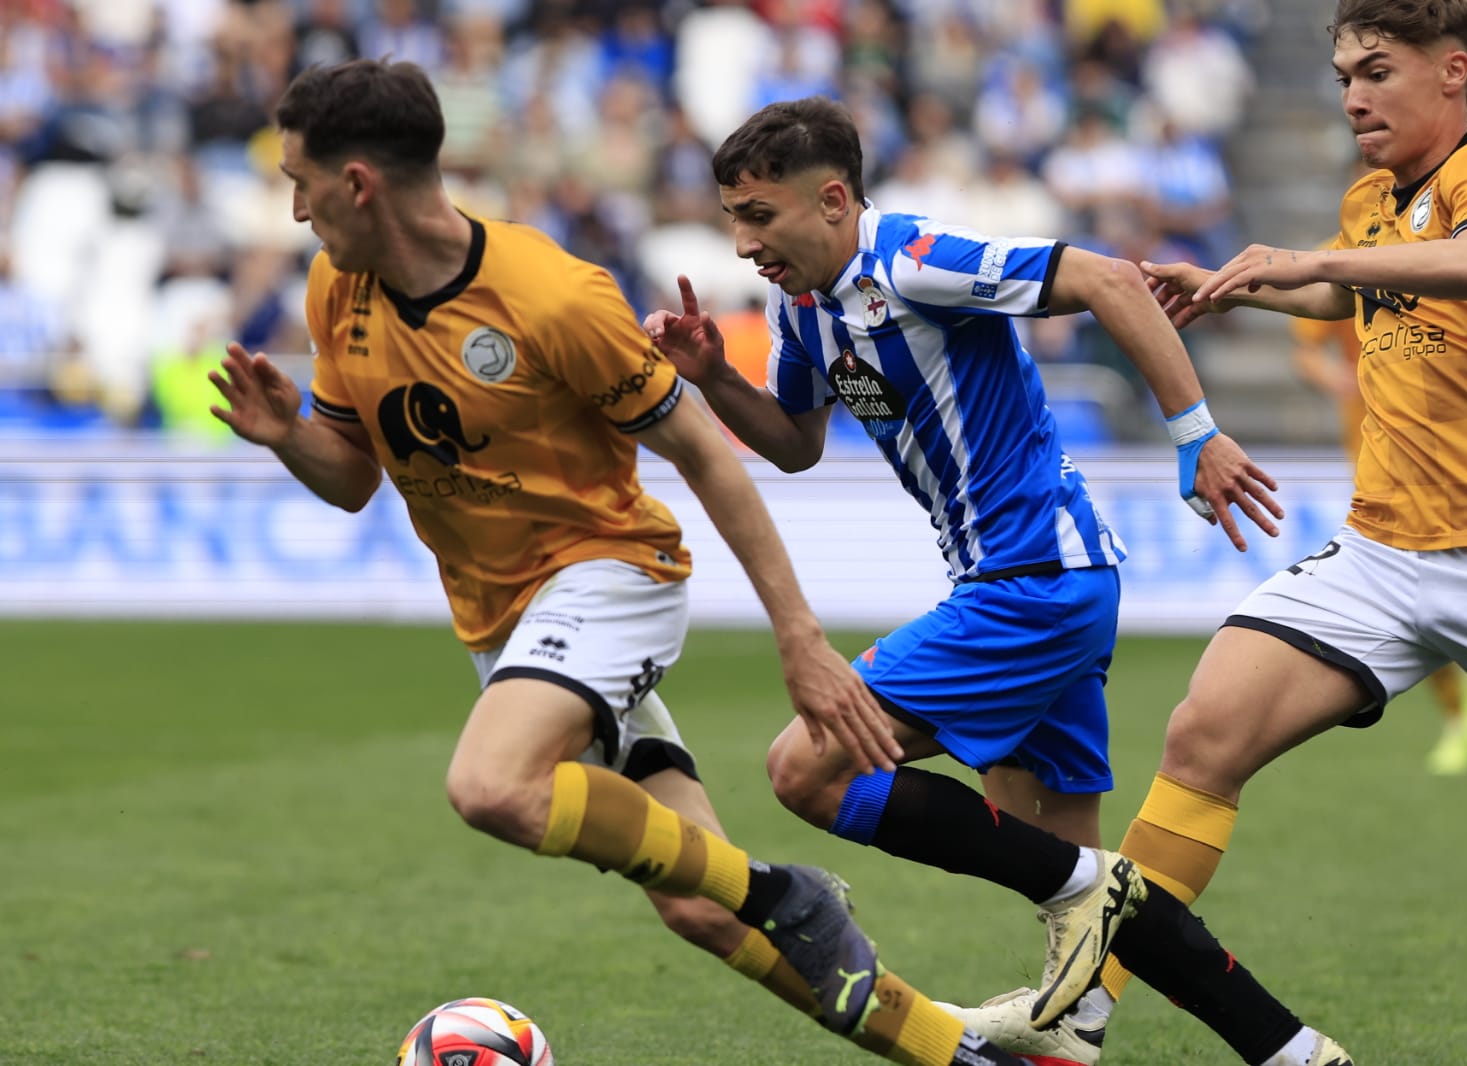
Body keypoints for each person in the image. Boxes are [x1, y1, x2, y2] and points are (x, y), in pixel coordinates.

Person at [208, 58, 1043, 1066]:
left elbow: (707, 456)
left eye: (299, 180)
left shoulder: (550, 296)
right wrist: (286, 432)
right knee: (697, 909)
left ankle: (783, 890)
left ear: (357, 183)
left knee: (492, 785)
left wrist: (799, 636)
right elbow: (350, 476)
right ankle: (957, 1054)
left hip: (612, 576)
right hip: (506, 621)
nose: (292, 209)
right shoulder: (335, 287)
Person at [645, 95, 1352, 1066]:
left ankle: (1081, 907)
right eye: (732, 217)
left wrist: (1196, 433)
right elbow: (796, 444)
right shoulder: (802, 310)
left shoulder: (915, 260)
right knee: (1080, 882)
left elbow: (1106, 277)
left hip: (1033, 580)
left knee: (810, 767)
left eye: (758, 216)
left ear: (833, 199)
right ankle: (1291, 1051)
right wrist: (716, 379)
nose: (741, 242)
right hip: (1032, 583)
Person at [1073, 0, 1467, 1040]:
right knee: (1200, 733)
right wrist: (1236, 291)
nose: (1354, 95)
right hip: (1382, 550)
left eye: (1376, 71)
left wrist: (1310, 261)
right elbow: (1348, 297)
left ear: (1452, 71)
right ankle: (1077, 1011)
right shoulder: (1372, 200)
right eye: (1343, 76)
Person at [1287, 291, 1467, 775]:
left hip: (1456, 438)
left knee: (1459, 573)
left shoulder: (1443, 245)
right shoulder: (1338, 255)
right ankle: (1459, 712)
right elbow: (1304, 349)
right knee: (1414, 584)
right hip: (1372, 449)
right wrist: (1335, 376)